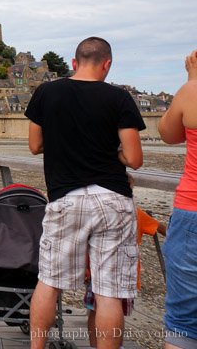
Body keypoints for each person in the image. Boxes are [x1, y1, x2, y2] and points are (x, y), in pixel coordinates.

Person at [24, 37, 144, 349]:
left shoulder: (47, 92)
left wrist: (66, 144)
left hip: (66, 198)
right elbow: (134, 159)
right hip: (112, 199)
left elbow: (35, 145)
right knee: (108, 291)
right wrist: (110, 154)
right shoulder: (120, 98)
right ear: (107, 65)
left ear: (74, 63)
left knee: (49, 282)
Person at [84, 176, 167, 347]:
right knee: (116, 310)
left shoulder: (96, 210)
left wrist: (84, 268)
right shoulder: (136, 212)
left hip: (96, 268)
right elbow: (160, 228)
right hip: (124, 270)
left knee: (95, 310)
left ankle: (95, 345)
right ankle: (116, 345)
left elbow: (84, 242)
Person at [157, 48, 197, 349]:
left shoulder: (192, 91)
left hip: (193, 210)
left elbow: (168, 133)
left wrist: (192, 80)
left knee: (183, 325)